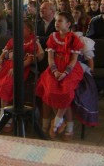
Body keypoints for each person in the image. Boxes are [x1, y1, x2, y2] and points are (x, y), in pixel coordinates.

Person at [0, 19, 44, 131]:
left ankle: (6, 117)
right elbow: (3, 54)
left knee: (4, 86)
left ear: (29, 30)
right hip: (5, 66)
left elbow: (29, 59)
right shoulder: (14, 40)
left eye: (22, 28)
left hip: (20, 68)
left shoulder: (32, 42)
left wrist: (16, 68)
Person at [36, 11, 84, 139]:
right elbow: (50, 58)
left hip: (70, 69)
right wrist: (55, 71)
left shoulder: (74, 38)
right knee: (50, 90)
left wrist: (65, 73)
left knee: (65, 92)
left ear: (68, 24)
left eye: (60, 21)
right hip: (55, 68)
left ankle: (57, 121)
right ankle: (60, 123)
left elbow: (74, 60)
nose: (56, 23)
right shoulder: (53, 37)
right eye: (56, 20)